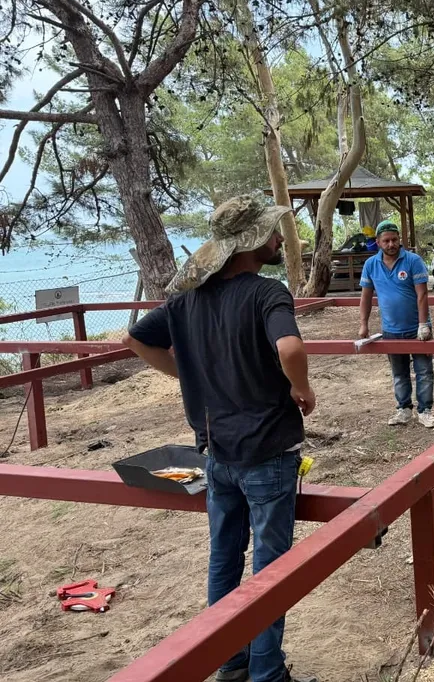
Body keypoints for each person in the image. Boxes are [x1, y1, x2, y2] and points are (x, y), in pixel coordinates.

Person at [121, 194, 318, 682]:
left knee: (223, 559)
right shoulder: (265, 292)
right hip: (268, 453)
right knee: (272, 570)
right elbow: (290, 345)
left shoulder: (186, 299)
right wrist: (301, 387)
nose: (279, 238)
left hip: (217, 454)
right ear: (253, 243)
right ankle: (267, 674)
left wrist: (188, 377)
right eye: (274, 232)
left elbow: (135, 339)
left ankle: (230, 662)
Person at [358, 220, 434, 428]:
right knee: (399, 372)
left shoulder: (413, 261)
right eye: (386, 241)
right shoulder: (371, 265)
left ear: (399, 240)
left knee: (424, 371)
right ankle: (403, 409)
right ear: (378, 242)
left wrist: (424, 324)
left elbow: (422, 294)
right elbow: (366, 297)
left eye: (394, 239)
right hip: (391, 330)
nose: (391, 244)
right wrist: (363, 324)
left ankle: (425, 411)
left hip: (416, 328)